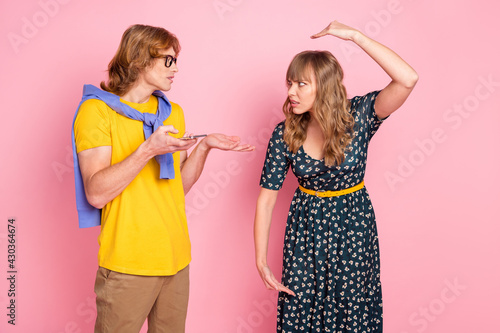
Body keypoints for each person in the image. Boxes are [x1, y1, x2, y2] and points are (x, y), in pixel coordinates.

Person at [72, 24, 253, 333]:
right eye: (168, 60)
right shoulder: (97, 111)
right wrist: (147, 150)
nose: (176, 68)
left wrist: (204, 147)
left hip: (176, 258)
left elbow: (175, 189)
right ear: (141, 60)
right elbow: (96, 193)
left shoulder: (172, 113)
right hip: (128, 262)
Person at [254, 20, 418, 332]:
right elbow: (265, 201)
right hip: (305, 232)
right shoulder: (285, 133)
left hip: (353, 228)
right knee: (302, 311)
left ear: (325, 87)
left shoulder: (361, 115)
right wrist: (261, 262)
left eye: (301, 84)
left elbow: (408, 78)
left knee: (351, 312)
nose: (290, 92)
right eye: (289, 83)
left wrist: (355, 36)